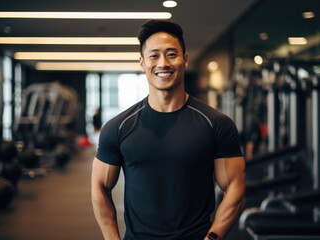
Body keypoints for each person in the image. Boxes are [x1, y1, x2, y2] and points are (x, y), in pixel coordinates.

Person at [91, 19, 245, 240]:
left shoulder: (215, 123)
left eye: (171, 54)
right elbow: (99, 186)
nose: (163, 63)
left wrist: (213, 238)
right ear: (142, 62)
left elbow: (235, 189)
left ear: (185, 60)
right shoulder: (119, 127)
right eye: (154, 56)